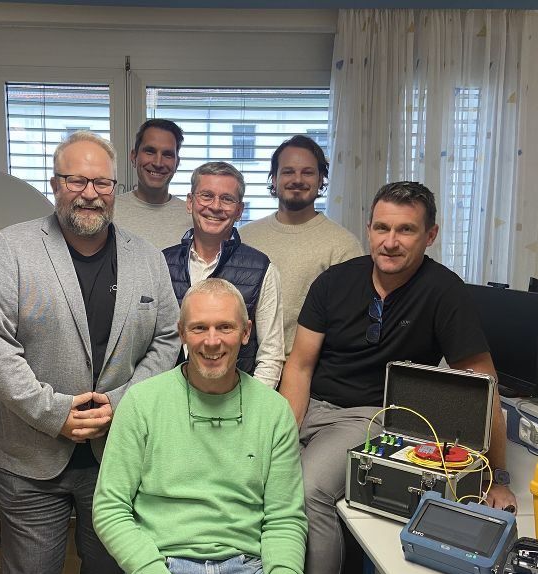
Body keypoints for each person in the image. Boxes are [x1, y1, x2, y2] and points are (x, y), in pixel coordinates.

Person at [0, 131, 180, 574]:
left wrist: (122, 404)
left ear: (116, 187)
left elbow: (167, 339)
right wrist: (53, 412)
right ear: (54, 183)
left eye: (101, 182)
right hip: (29, 455)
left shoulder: (146, 257)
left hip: (116, 455)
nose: (89, 193)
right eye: (76, 180)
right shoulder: (10, 248)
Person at [79, 278, 373, 574]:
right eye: (199, 327)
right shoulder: (143, 403)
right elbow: (110, 509)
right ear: (182, 333)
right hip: (162, 571)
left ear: (246, 332)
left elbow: (284, 518)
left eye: (225, 327)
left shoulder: (273, 412)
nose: (212, 341)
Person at [278, 181, 517, 574]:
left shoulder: (444, 291)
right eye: (382, 228)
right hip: (310, 405)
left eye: (406, 230)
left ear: (430, 235)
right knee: (265, 478)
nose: (390, 242)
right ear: (368, 228)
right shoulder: (333, 282)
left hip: (368, 417)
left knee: (308, 490)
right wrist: (281, 436)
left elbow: (484, 386)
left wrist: (496, 477)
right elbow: (299, 366)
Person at [163, 162, 285, 388]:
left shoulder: (262, 269)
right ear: (190, 202)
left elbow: (271, 355)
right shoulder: (162, 263)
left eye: (227, 199)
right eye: (206, 196)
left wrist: (250, 405)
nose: (215, 206)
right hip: (172, 397)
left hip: (237, 398)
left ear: (239, 211)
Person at [239, 135, 363, 354]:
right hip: (244, 365)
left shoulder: (344, 246)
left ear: (321, 179)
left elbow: (348, 326)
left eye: (307, 172)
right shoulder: (244, 237)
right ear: (274, 179)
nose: (297, 180)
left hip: (312, 368)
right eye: (288, 172)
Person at [112, 119, 191, 250]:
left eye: (167, 155)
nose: (158, 163)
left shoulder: (193, 218)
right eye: (150, 151)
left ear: (177, 164)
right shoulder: (109, 211)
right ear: (134, 157)